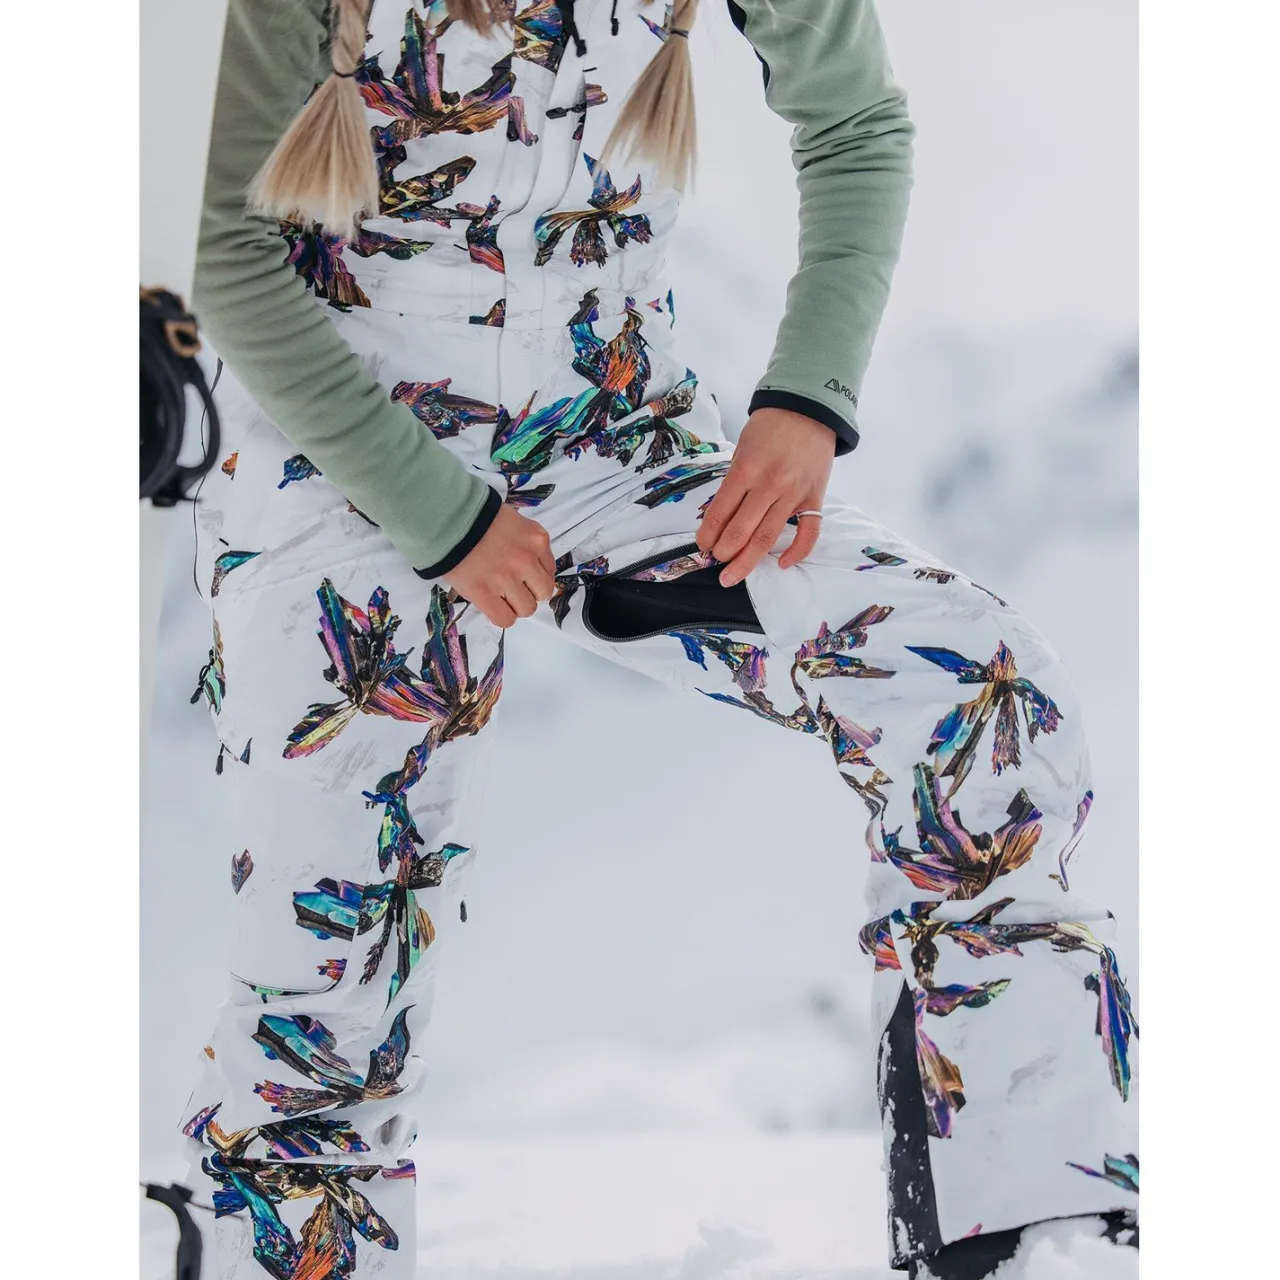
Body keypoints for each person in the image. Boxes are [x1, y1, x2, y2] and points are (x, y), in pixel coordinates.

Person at [176, 3, 1139, 1277]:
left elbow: (855, 124)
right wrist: (445, 519)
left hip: (613, 442)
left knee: (975, 696)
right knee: (332, 962)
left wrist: (806, 398)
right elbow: (230, 257)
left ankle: (1023, 1234)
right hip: (343, 461)